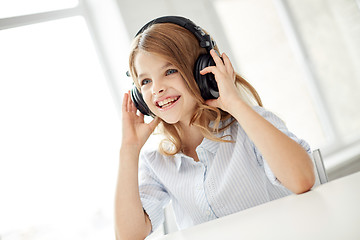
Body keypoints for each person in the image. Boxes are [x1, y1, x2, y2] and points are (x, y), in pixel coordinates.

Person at [115, 16, 315, 240]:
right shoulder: (158, 162)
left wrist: (236, 104)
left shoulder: (249, 126)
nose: (157, 89)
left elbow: (303, 179)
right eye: (145, 81)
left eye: (170, 71)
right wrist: (129, 149)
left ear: (204, 70)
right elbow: (129, 236)